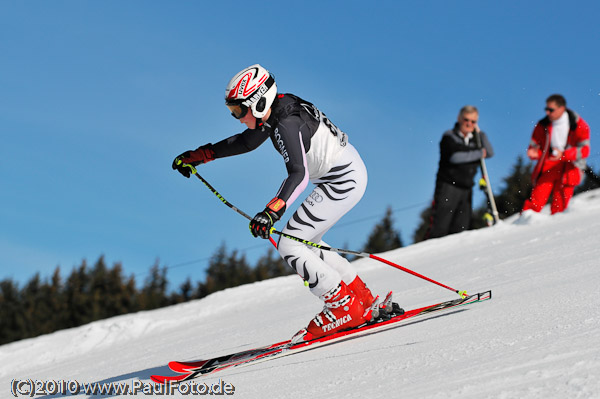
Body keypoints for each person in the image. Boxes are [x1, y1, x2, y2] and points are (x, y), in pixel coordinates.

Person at [172, 64, 380, 341]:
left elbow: (299, 173)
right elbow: (246, 142)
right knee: (309, 244)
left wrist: (272, 211)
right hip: (346, 176)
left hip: (342, 181)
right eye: (232, 111)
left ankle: (342, 306)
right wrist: (201, 155)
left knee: (290, 243)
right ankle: (361, 300)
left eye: (239, 111)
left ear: (258, 103)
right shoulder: (278, 109)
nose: (237, 118)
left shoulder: (286, 123)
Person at [426, 105, 494, 239]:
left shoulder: (477, 139)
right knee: (440, 226)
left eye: (473, 121)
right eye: (466, 120)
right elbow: (456, 157)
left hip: (467, 188)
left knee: (461, 228)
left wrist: (481, 135)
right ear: (459, 119)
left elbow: (490, 152)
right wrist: (479, 153)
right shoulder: (449, 136)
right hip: (448, 186)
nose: (469, 124)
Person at [522, 94, 590, 214]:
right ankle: (522, 225)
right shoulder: (542, 125)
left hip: (570, 167)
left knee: (560, 207)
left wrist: (564, 154)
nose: (548, 112)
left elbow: (584, 150)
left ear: (562, 108)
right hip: (548, 165)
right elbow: (535, 146)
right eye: (546, 109)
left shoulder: (578, 125)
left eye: (551, 110)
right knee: (535, 203)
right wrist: (534, 153)